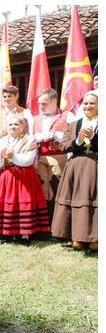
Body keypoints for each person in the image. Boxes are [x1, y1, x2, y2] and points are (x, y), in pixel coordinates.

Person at [0, 116, 50, 245]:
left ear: (23, 127)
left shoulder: (30, 140)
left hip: (24, 177)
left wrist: (14, 156)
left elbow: (28, 159)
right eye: (10, 124)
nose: (12, 126)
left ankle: (25, 234)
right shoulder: (2, 141)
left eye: (16, 124)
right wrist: (1, 156)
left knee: (24, 203)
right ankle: (8, 233)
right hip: (7, 176)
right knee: (8, 203)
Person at [52, 90, 98, 251]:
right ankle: (77, 236)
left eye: (92, 103)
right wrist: (78, 140)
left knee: (94, 200)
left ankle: (96, 237)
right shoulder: (73, 124)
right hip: (75, 168)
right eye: (85, 103)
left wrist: (94, 138)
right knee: (77, 200)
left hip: (96, 167)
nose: (88, 106)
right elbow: (64, 145)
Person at [32, 88, 70, 222]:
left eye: (44, 103)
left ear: (54, 101)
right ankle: (44, 223)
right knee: (42, 188)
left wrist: (55, 135)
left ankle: (59, 222)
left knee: (58, 186)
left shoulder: (66, 115)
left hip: (59, 156)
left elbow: (70, 136)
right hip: (41, 156)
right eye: (40, 104)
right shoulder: (36, 119)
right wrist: (42, 137)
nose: (41, 107)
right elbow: (31, 137)